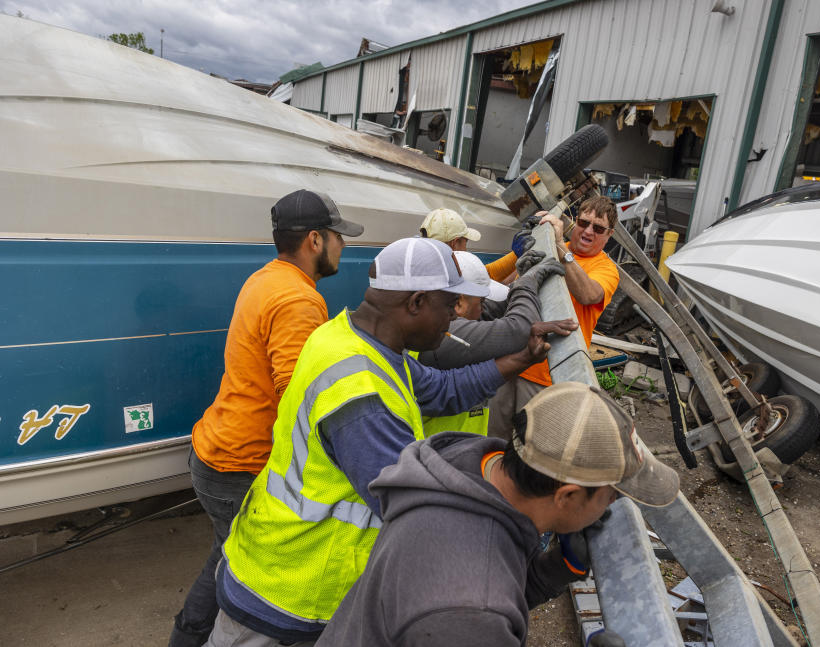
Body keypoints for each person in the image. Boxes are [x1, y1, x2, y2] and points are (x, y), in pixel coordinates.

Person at [205, 237, 577, 646]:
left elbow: (441, 389)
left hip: (284, 568)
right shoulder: (359, 398)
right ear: (416, 302)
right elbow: (414, 505)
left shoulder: (351, 339)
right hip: (291, 592)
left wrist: (522, 356)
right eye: (449, 304)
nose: (454, 317)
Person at [315, 381, 680, 647]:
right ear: (567, 495)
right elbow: (478, 601)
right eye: (612, 496)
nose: (612, 507)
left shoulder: (467, 468)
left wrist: (555, 568)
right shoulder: (470, 612)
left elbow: (493, 580)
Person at [168, 189, 363, 647]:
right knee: (239, 575)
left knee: (225, 559)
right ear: (315, 240)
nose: (344, 246)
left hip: (217, 446)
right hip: (241, 461)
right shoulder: (298, 300)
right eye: (338, 236)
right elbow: (298, 396)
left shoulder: (266, 279)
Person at [486, 195, 621, 439]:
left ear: (609, 234)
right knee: (493, 441)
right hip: (507, 363)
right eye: (583, 223)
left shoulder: (605, 268)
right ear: (575, 223)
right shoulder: (545, 244)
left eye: (598, 228)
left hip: (547, 378)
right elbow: (491, 275)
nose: (588, 231)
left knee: (534, 453)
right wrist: (520, 250)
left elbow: (588, 294)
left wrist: (560, 248)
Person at [417, 248, 567, 436]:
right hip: (441, 455)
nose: (483, 309)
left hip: (455, 449)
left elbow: (489, 313)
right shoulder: (445, 336)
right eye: (481, 301)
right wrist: (526, 284)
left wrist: (517, 284)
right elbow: (519, 330)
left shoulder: (432, 323)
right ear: (458, 304)